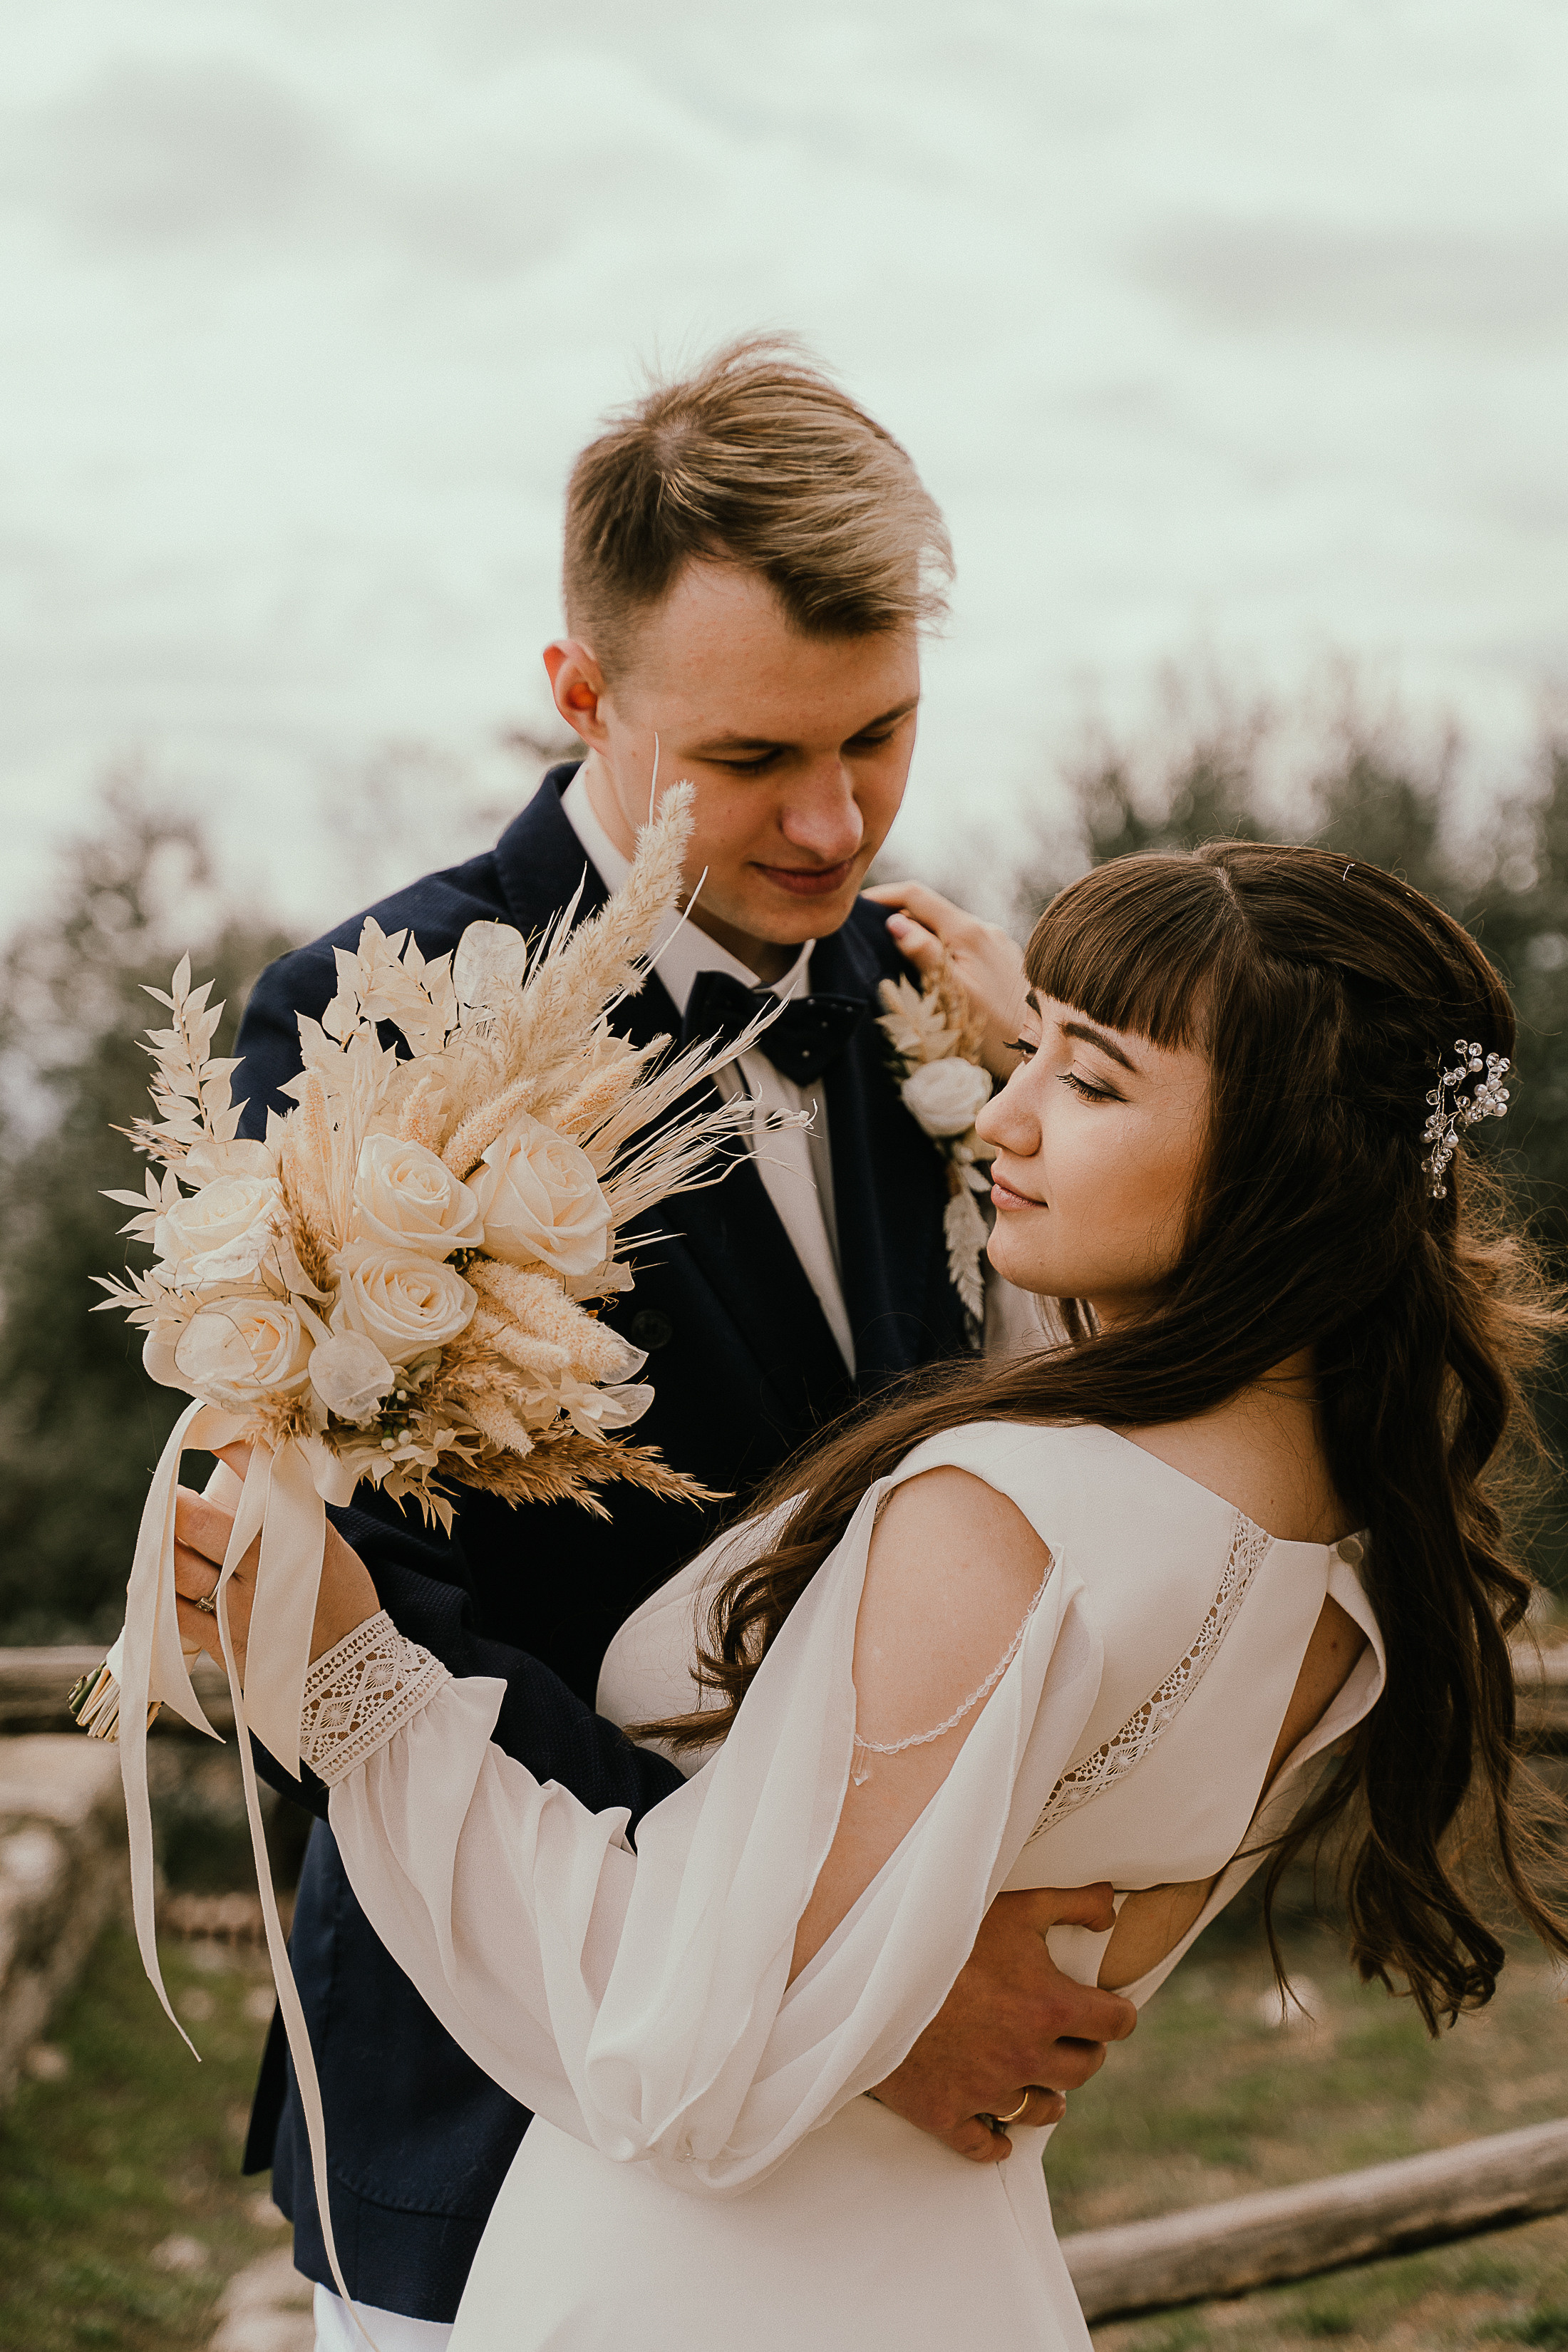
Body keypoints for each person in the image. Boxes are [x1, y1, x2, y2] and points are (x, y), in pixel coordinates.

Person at [180, 841, 1568, 2347]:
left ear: (1286, 1165)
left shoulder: (997, 1517)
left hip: (682, 2289)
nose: (1011, 1114)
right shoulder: (1338, 1558)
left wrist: (352, 1681)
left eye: (1090, 1085)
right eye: (1025, 1049)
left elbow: (678, 2062)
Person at [229, 338, 1135, 2349]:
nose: (835, 823)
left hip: (877, 2132)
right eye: (751, 762)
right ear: (580, 695)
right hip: (509, 2083)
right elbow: (378, 1619)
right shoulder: (374, 1031)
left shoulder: (931, 1012)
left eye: (883, 733)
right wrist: (846, 1964)